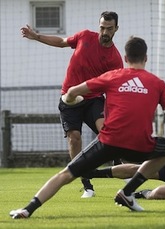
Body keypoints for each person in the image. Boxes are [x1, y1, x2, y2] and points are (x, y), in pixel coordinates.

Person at [9, 36, 165, 219]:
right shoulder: (157, 83)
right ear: (146, 57)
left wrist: (69, 100)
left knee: (66, 174)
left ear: (125, 57)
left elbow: (72, 91)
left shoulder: (113, 76)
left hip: (108, 142)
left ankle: (28, 209)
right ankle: (128, 191)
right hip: (139, 146)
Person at [20, 11, 124, 198]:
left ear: (116, 29)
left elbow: (113, 89)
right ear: (98, 26)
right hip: (69, 98)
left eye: (109, 28)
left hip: (93, 99)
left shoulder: (115, 59)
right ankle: (86, 184)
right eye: (102, 27)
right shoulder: (84, 36)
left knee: (106, 130)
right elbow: (61, 42)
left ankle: (117, 162)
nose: (104, 31)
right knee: (74, 138)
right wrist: (36, 37)